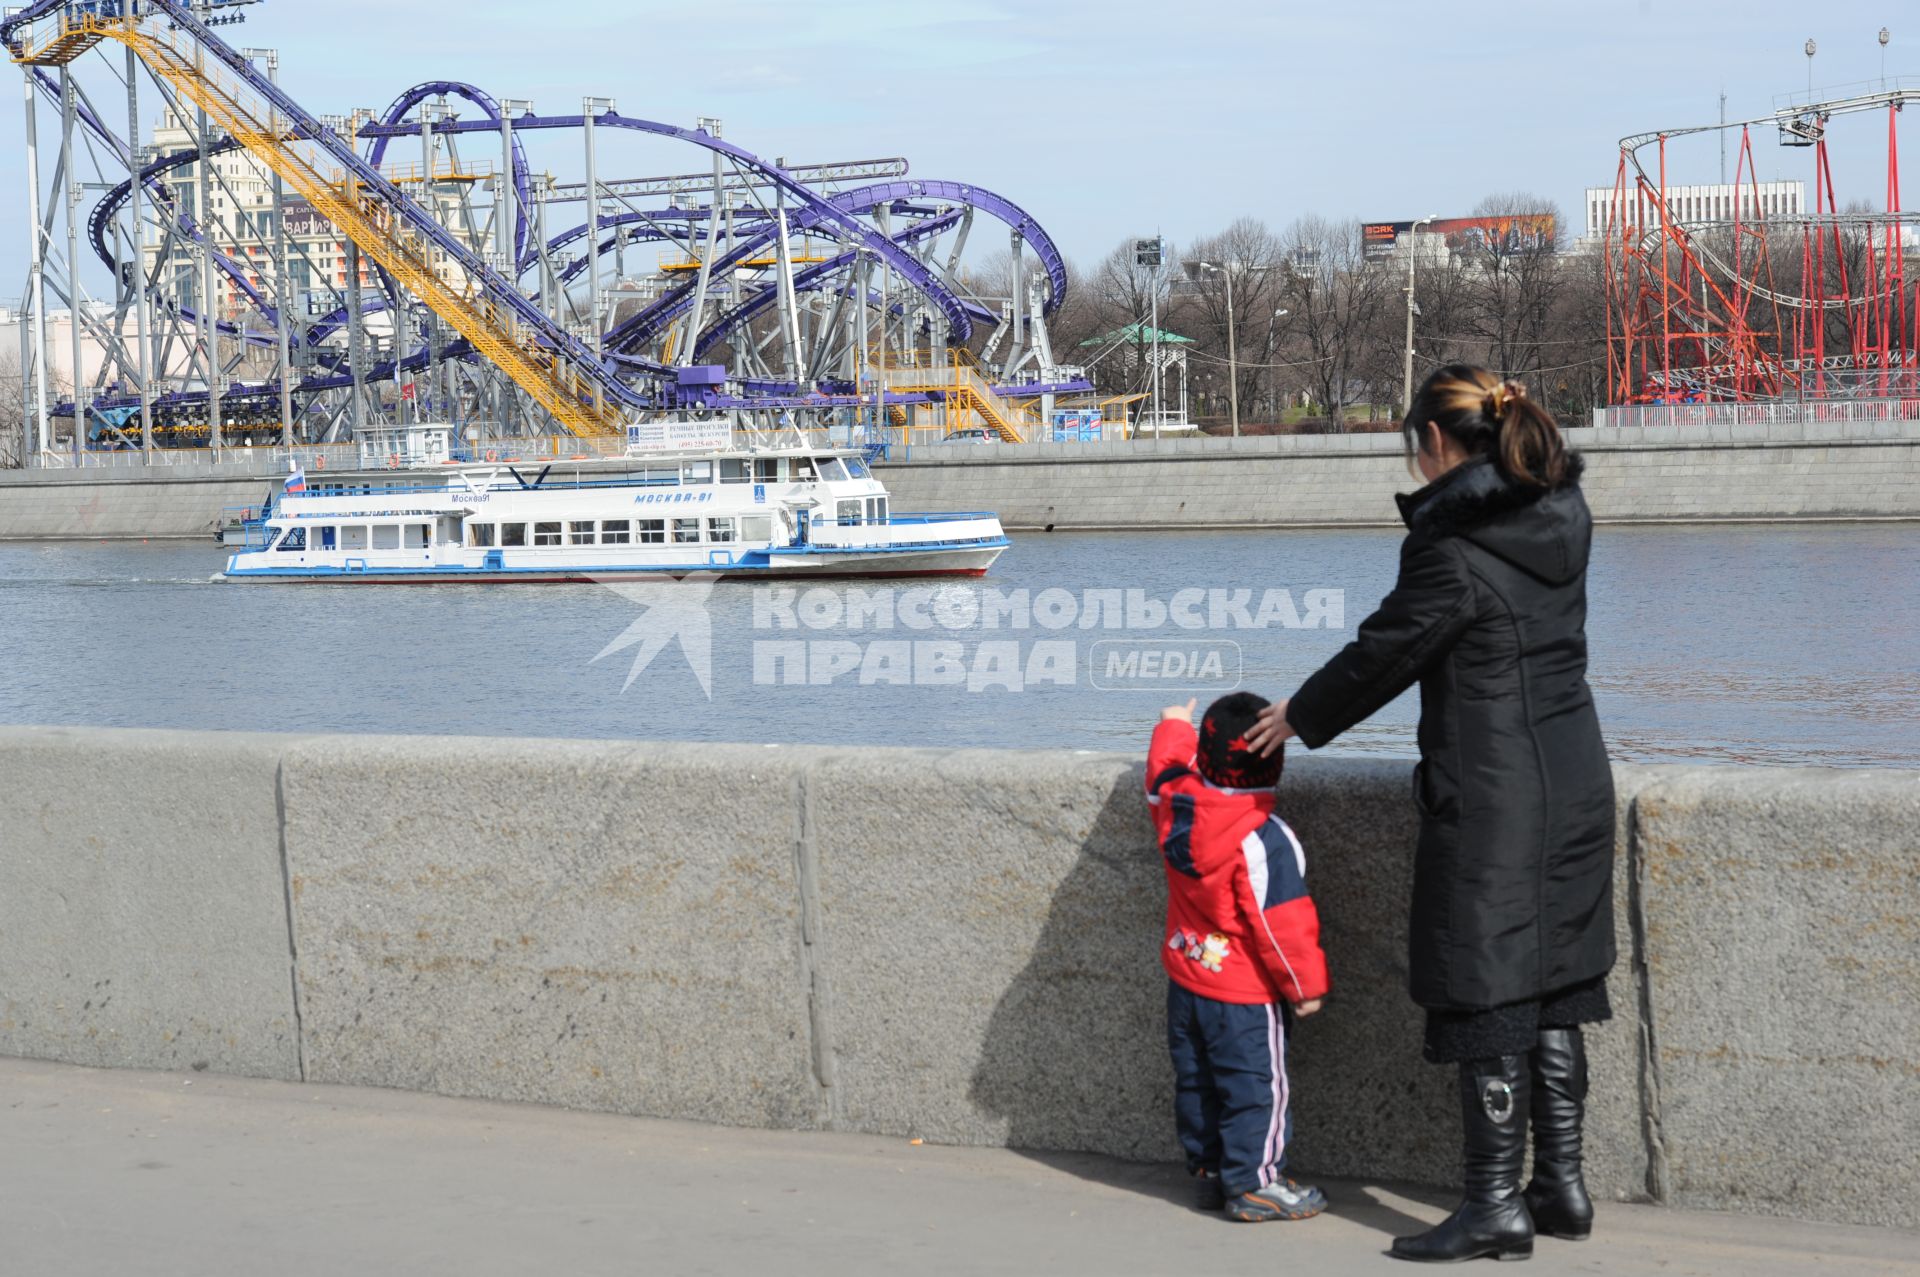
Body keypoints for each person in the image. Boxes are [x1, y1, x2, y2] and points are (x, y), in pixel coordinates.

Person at [1244, 365, 1614, 1263]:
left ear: (1439, 444)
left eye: (1413, 448)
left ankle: (1493, 1205)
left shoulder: (1454, 547)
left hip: (1495, 798)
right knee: (1554, 981)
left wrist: (1297, 713)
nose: (1413, 466)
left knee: (1486, 991)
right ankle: (1559, 1186)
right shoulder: (1562, 515)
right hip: (1573, 779)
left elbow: (1386, 651)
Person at [1145, 691, 1330, 1223]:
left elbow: (1163, 771)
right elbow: (1283, 925)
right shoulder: (1263, 838)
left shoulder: (1175, 805)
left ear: (1203, 756)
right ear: (1276, 763)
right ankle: (1255, 1183)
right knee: (1255, 1089)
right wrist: (1304, 987)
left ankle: (1211, 1171)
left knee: (1198, 1080)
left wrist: (1173, 726)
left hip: (1188, 980)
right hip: (1245, 996)